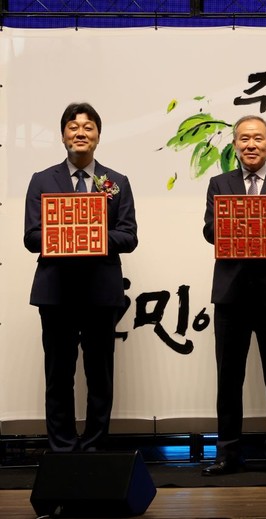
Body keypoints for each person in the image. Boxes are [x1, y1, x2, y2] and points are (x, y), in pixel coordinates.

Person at [23, 102, 138, 452]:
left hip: (100, 292)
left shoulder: (117, 182)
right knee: (58, 374)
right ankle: (61, 448)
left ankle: (94, 447)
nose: (80, 133)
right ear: (63, 136)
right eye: (73, 127)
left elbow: (129, 237)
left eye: (88, 127)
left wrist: (90, 233)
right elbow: (32, 237)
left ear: (98, 136)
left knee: (100, 375)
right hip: (56, 292)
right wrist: (68, 231)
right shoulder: (42, 180)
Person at [202, 115, 266, 477]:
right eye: (244, 139)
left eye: (258, 138)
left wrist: (258, 232)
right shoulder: (220, 184)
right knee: (228, 379)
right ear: (235, 145)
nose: (251, 145)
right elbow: (210, 230)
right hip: (230, 296)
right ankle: (227, 452)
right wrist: (238, 228)